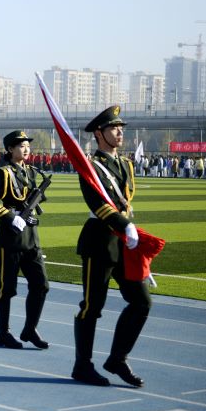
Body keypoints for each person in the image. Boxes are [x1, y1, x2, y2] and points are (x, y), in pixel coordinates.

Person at [72, 105, 150, 388]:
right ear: (99, 133)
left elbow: (124, 199)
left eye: (120, 128)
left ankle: (117, 359)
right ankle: (82, 365)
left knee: (141, 302)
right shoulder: (90, 166)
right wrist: (123, 223)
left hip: (124, 242)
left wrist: (129, 230)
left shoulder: (126, 164)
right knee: (92, 306)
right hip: (100, 241)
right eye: (113, 128)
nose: (119, 132)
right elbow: (97, 202)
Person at [0, 131, 49, 350]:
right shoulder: (4, 173)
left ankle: (30, 328)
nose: (26, 149)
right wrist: (11, 217)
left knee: (41, 285)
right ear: (10, 149)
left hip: (31, 238)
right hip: (10, 238)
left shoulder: (31, 171)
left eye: (27, 145)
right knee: (7, 288)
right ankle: (4, 333)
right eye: (21, 146)